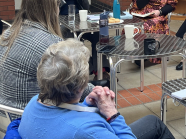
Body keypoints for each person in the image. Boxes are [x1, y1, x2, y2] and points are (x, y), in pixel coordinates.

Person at [17, 39, 175, 139]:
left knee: (151, 122)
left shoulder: (33, 103)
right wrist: (113, 115)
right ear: (81, 85)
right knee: (155, 124)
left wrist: (85, 105)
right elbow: (81, 129)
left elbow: (62, 118)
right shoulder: (87, 131)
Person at [0, 0, 93, 110]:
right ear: (54, 9)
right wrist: (99, 91)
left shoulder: (9, 33)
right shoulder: (50, 44)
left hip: (5, 115)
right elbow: (74, 81)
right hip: (32, 114)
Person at [47, 0, 104, 78]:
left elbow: (86, 8)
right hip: (61, 23)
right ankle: (83, 70)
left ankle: (101, 70)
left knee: (100, 34)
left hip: (80, 21)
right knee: (69, 37)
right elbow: (50, 10)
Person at [130, 0, 178, 64]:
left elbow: (172, 4)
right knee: (131, 28)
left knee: (147, 26)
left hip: (159, 15)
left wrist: (160, 12)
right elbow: (137, 4)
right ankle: (136, 53)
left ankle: (149, 55)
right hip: (143, 14)